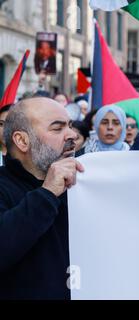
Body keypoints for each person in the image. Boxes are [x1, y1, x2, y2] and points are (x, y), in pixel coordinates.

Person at [0, 97, 84, 299]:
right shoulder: (3, 187)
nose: (72, 135)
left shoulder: (83, 179)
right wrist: (47, 194)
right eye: (57, 128)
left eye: (70, 126)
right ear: (22, 141)